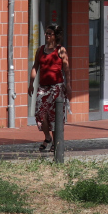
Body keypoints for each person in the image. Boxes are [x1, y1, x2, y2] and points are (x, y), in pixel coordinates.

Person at [28, 24, 68, 152]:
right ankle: (47, 137)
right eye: (46, 33)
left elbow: (66, 69)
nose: (47, 35)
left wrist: (69, 85)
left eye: (50, 33)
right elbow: (35, 67)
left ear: (55, 36)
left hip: (57, 87)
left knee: (55, 115)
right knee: (40, 113)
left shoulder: (61, 50)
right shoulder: (40, 50)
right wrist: (31, 83)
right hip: (43, 87)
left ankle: (56, 143)